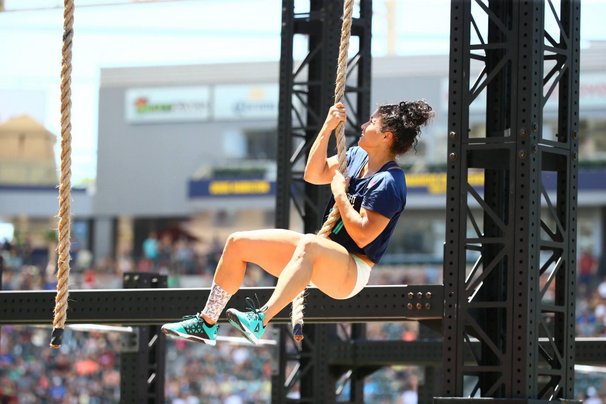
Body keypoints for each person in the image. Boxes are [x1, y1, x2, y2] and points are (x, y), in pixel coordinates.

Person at [161, 100, 434, 345]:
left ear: (386, 136)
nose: (363, 125)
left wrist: (339, 193)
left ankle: (260, 319)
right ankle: (207, 322)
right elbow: (313, 174)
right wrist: (327, 128)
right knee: (237, 243)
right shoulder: (354, 157)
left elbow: (363, 237)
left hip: (351, 270)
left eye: (371, 122)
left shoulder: (389, 183)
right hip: (318, 254)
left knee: (310, 244)